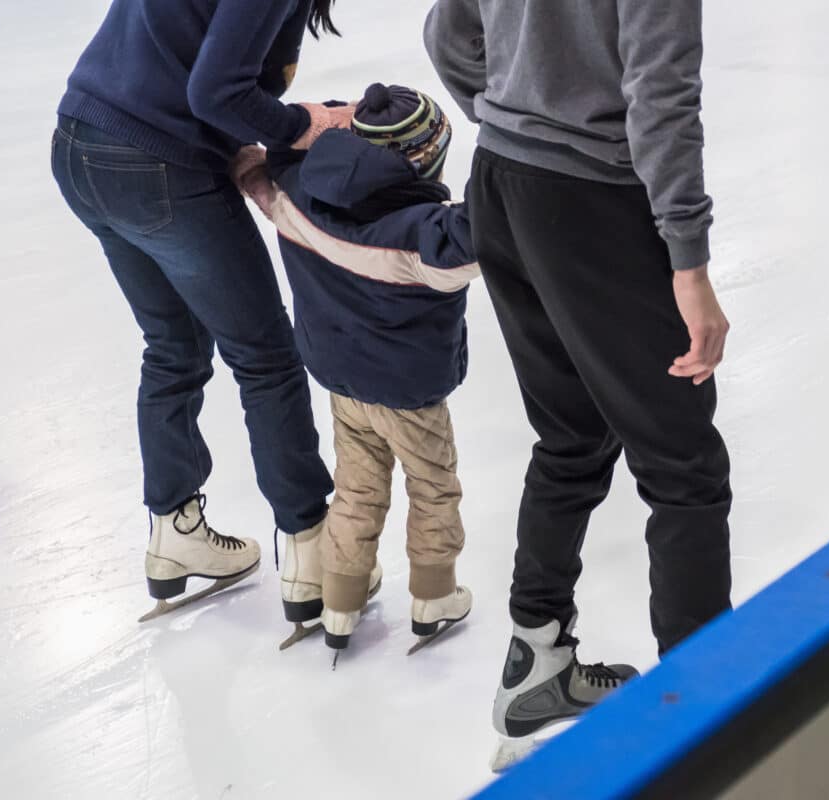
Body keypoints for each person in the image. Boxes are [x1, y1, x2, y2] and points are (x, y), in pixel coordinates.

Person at [425, 0, 734, 770]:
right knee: (683, 468)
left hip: (501, 182)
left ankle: (538, 662)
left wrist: (515, 115)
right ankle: (699, 728)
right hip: (592, 200)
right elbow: (660, 92)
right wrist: (688, 263)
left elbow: (448, 31)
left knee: (571, 435)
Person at [50, 0, 352, 632]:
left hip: (82, 143)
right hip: (154, 162)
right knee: (266, 358)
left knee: (172, 345)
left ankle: (175, 529)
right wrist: (301, 124)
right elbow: (217, 90)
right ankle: (311, 548)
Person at [247, 84, 478, 657]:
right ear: (425, 162)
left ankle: (341, 602)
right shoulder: (425, 236)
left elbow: (264, 165)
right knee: (432, 487)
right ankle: (433, 596)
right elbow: (491, 235)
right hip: (410, 395)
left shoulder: (297, 193)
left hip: (344, 384)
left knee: (356, 488)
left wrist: (322, 129)